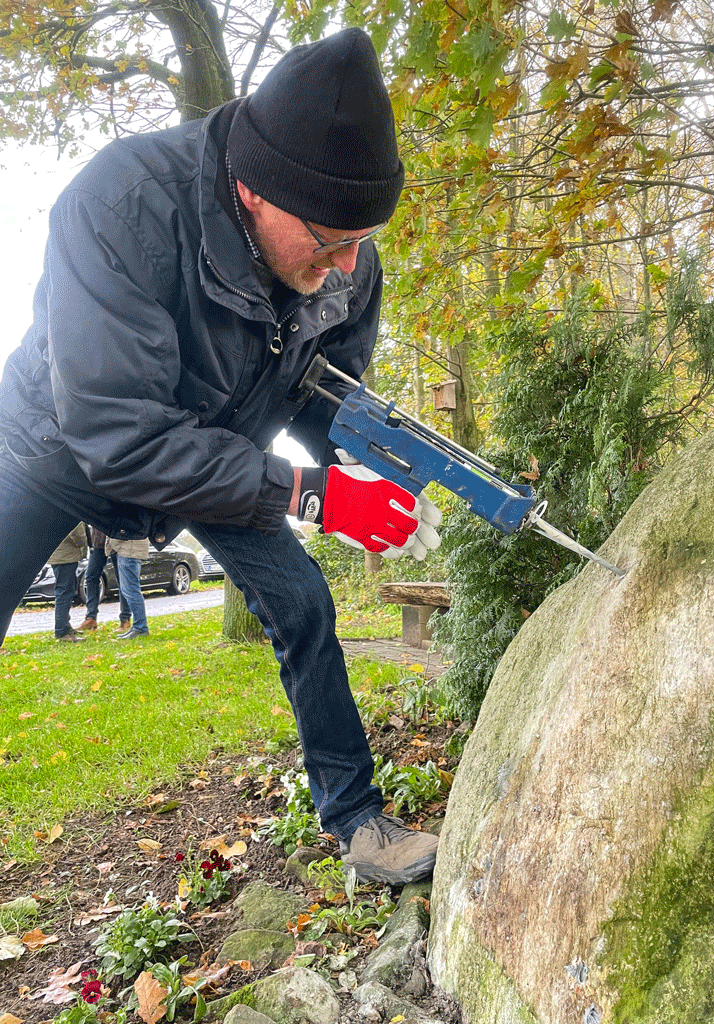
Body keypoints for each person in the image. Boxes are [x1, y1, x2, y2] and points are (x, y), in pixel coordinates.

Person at [0, 28, 442, 884]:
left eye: (363, 238)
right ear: (253, 191)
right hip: (54, 441)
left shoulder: (344, 251)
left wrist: (366, 475)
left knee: (305, 602)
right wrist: (312, 497)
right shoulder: (120, 204)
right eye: (328, 240)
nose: (348, 264)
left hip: (210, 450)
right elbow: (117, 432)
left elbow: (324, 395)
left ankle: (357, 821)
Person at [78, 527, 132, 632]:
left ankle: (125, 619)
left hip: (117, 539)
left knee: (122, 579)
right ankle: (91, 618)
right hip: (99, 541)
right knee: (90, 576)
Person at [48, 522, 89, 642]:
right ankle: (62, 631)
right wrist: (84, 544)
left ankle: (65, 626)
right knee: (65, 592)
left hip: (59, 553)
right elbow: (77, 532)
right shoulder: (72, 506)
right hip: (65, 554)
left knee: (66, 590)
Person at [105, 535, 150, 639]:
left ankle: (140, 628)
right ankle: (138, 627)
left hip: (129, 550)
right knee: (128, 590)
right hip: (126, 549)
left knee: (131, 590)